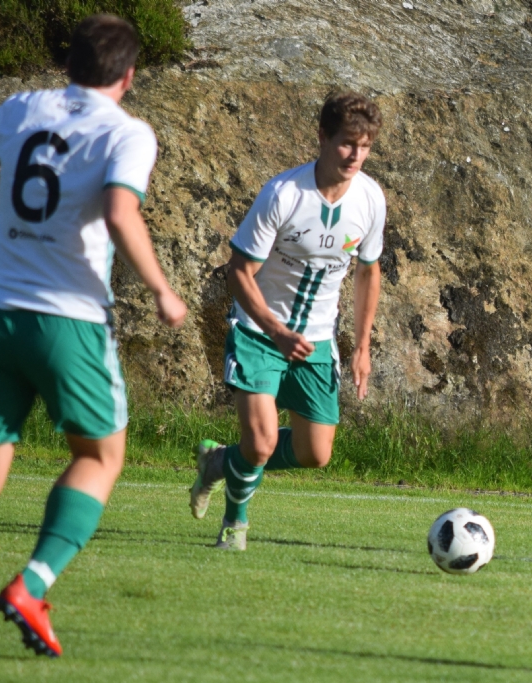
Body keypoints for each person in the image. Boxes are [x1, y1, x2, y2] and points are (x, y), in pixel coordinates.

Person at [0, 15, 187, 658]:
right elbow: (120, 211)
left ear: (68, 63)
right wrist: (161, 288)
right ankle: (31, 586)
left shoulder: (17, 109)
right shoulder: (127, 131)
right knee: (100, 456)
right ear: (129, 75)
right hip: (69, 319)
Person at [189, 92, 385, 551]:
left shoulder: (371, 198)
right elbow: (239, 272)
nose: (355, 156)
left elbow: (368, 271)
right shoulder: (283, 194)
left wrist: (361, 346)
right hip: (260, 332)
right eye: (347, 143)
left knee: (315, 453)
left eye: (365, 146)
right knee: (259, 444)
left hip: (316, 341)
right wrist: (276, 331)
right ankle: (235, 525)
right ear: (322, 137)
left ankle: (219, 462)